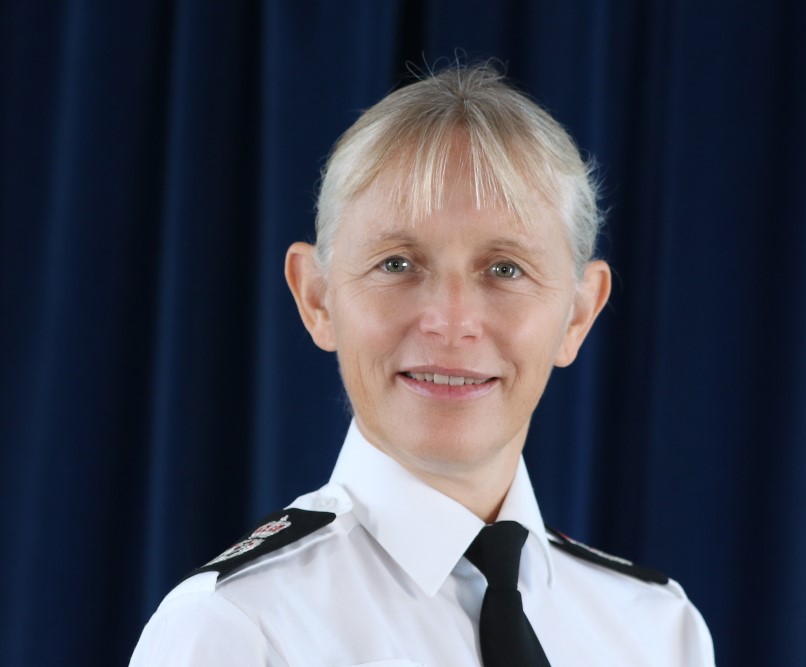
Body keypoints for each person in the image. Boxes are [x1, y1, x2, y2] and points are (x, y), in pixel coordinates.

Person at [130, 63, 715, 666]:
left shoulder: (661, 634)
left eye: (505, 269)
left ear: (578, 315)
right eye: (397, 264)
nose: (451, 321)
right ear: (317, 299)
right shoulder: (237, 629)